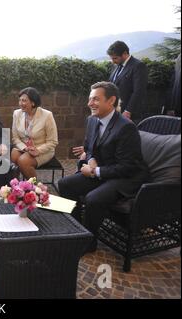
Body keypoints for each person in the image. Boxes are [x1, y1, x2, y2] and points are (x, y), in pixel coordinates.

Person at [58, 82, 149, 252]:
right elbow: (89, 148)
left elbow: (128, 166)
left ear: (111, 100)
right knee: (65, 184)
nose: (90, 103)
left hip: (125, 177)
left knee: (94, 198)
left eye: (95, 99)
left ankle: (89, 243)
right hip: (103, 171)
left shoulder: (126, 127)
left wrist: (94, 171)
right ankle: (77, 230)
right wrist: (91, 159)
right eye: (89, 99)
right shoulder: (92, 120)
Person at [10, 87, 58, 179]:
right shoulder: (17, 113)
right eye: (19, 100)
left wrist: (38, 150)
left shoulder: (47, 115)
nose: (20, 103)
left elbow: (53, 142)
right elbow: (15, 138)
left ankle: (35, 188)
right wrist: (25, 148)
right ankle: (17, 185)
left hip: (43, 150)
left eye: (24, 101)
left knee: (23, 161)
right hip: (24, 148)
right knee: (14, 155)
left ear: (33, 102)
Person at [107, 40, 148, 123]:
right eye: (111, 58)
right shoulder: (116, 65)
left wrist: (128, 110)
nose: (113, 61)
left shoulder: (138, 66)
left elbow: (138, 91)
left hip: (129, 114)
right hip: (115, 111)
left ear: (125, 53)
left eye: (115, 58)